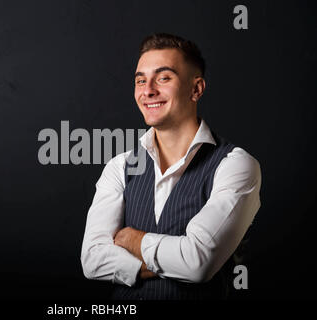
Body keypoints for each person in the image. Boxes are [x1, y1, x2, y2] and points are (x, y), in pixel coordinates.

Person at [80, 33, 261, 300]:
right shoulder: (119, 166)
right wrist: (174, 258)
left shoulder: (236, 165)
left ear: (196, 89)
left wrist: (134, 241)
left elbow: (198, 262)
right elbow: (92, 260)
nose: (148, 90)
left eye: (164, 78)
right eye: (141, 80)